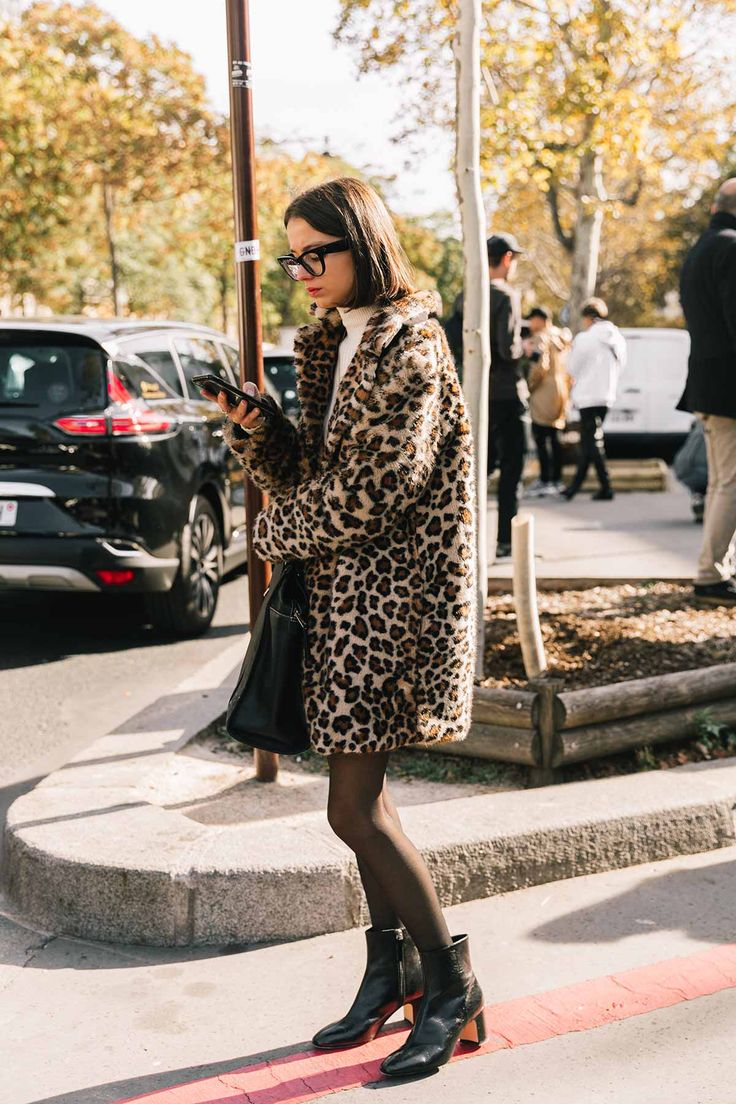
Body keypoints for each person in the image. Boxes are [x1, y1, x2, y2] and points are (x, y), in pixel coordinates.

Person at [205, 178, 485, 1077]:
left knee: (352, 809)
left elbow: (374, 491)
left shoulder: (412, 348)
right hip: (342, 606)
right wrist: (261, 432)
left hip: (394, 614)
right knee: (367, 806)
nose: (301, 273)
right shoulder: (334, 342)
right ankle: (390, 970)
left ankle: (451, 984)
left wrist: (270, 534)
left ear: (361, 243)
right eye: (291, 257)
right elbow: (316, 473)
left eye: (313, 254)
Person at [678, 177, 736, 604]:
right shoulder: (732, 247)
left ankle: (715, 569)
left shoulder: (699, 250)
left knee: (722, 483)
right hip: (728, 385)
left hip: (706, 382)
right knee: (730, 484)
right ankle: (711, 574)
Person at [486, 232, 526, 558]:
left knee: (478, 469)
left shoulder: (466, 296)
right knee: (512, 471)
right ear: (507, 259)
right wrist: (524, 349)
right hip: (507, 393)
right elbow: (508, 348)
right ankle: (506, 541)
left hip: (477, 392)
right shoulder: (505, 295)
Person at [562, 297, 625, 501]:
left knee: (591, 442)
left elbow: (571, 368)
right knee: (591, 441)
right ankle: (576, 487)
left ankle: (604, 486)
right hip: (607, 395)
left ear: (588, 318)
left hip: (587, 396)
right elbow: (621, 365)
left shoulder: (584, 339)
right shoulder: (617, 338)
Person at [524, 306, 572, 496]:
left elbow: (539, 367)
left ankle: (545, 479)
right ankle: (557, 479)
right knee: (555, 437)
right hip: (561, 390)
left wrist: (529, 386)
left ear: (540, 319)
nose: (530, 324)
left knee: (541, 437)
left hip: (543, 392)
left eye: (532, 320)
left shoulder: (541, 337)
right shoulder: (561, 337)